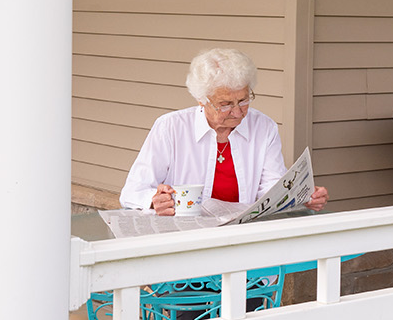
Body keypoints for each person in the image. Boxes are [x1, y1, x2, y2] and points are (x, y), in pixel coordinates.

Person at [120, 48, 328, 214]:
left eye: (244, 100)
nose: (237, 112)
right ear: (201, 99)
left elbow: (271, 189)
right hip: (186, 239)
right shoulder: (171, 127)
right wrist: (154, 201)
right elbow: (132, 192)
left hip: (241, 238)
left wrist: (301, 196)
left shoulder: (264, 127)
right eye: (225, 104)